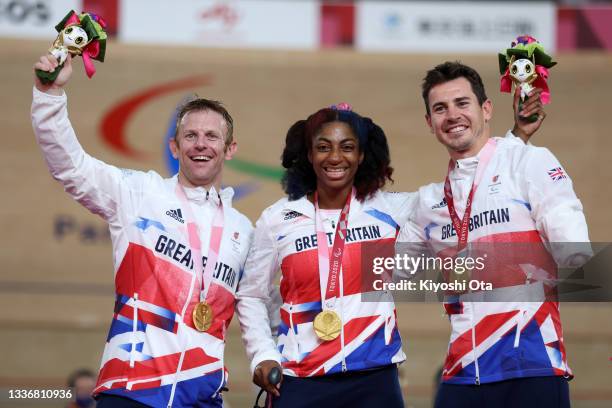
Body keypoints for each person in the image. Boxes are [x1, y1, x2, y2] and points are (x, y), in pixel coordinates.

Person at [31, 54, 253, 407]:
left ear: (229, 150)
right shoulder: (137, 194)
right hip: (131, 388)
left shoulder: (243, 231)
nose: (200, 144)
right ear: (174, 147)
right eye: (190, 135)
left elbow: (258, 308)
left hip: (202, 396)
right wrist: (49, 95)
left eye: (212, 136)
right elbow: (70, 167)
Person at [397, 61, 590, 407]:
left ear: (486, 109)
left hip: (533, 368)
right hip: (462, 372)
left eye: (462, 103)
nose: (452, 115)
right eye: (440, 108)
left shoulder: (529, 163)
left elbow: (575, 254)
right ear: (430, 123)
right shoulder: (427, 202)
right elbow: (395, 275)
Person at [236, 105, 414, 407]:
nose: (335, 157)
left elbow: (455, 204)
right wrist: (262, 355)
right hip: (301, 379)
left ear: (361, 155)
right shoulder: (278, 218)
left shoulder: (390, 210)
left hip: (374, 378)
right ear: (309, 155)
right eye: (323, 147)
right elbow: (252, 295)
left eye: (347, 147)